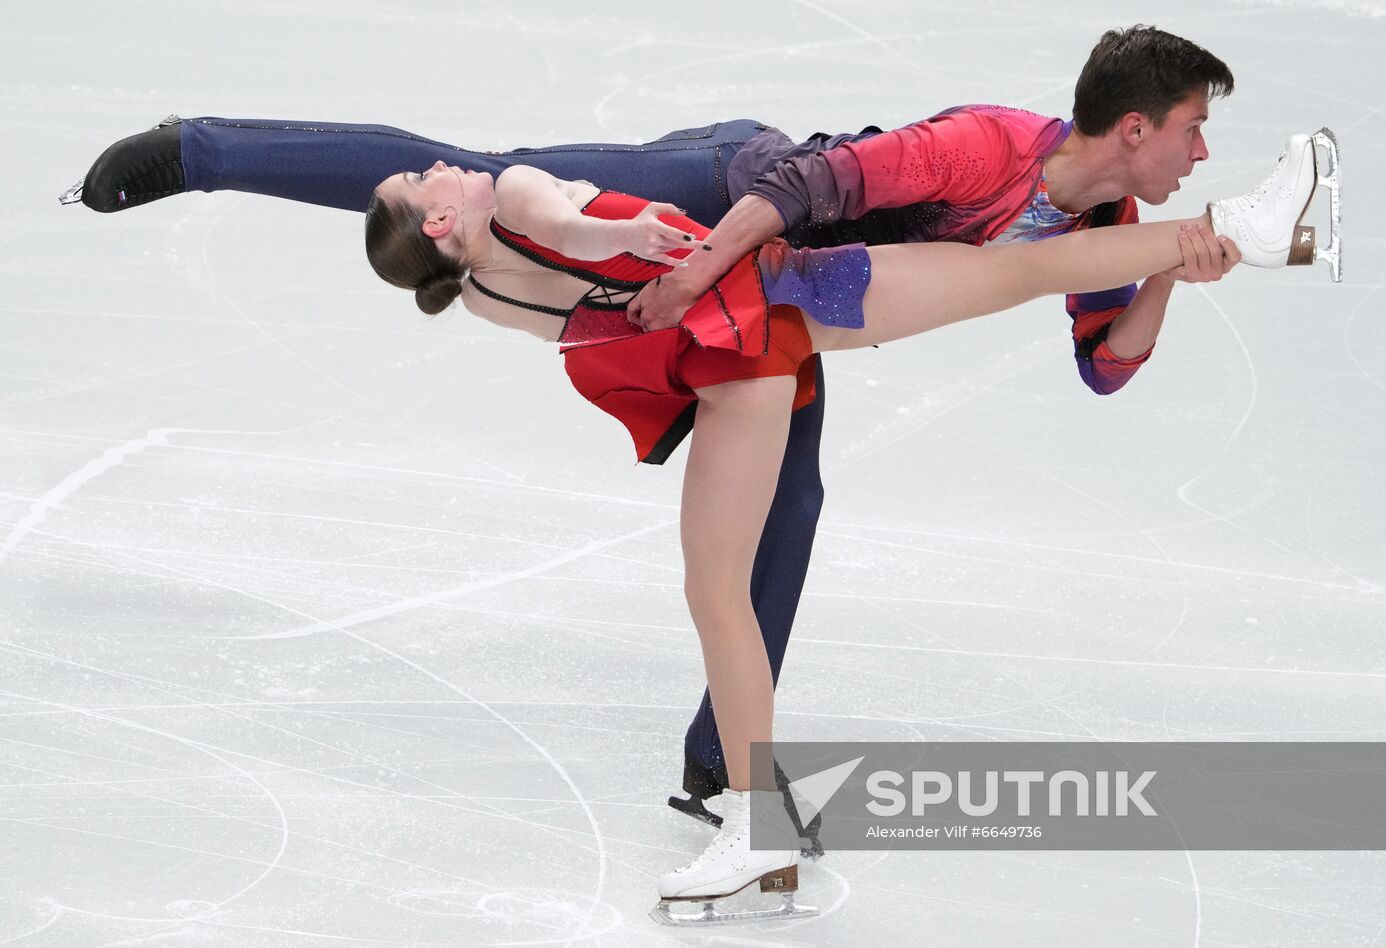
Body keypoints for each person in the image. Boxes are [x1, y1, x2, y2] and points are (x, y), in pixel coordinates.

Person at [65, 26, 1311, 832]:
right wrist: (673, 262)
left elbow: (1106, 367)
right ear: (1134, 126)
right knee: (478, 175)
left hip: (780, 311)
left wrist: (1170, 269)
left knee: (787, 513)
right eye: (1192, 127)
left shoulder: (1093, 240)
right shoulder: (990, 145)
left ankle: (726, 764)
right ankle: (199, 148)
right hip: (727, 202)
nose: (1200, 149)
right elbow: (807, 185)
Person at [360, 128, 1329, 921]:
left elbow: (578, 255)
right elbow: (564, 226)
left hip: (745, 342)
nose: (446, 160)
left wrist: (651, 256)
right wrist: (646, 249)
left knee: (716, 588)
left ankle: (1250, 228)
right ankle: (755, 829)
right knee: (1027, 271)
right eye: (425, 174)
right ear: (442, 219)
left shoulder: (480, 294)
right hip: (767, 318)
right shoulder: (518, 197)